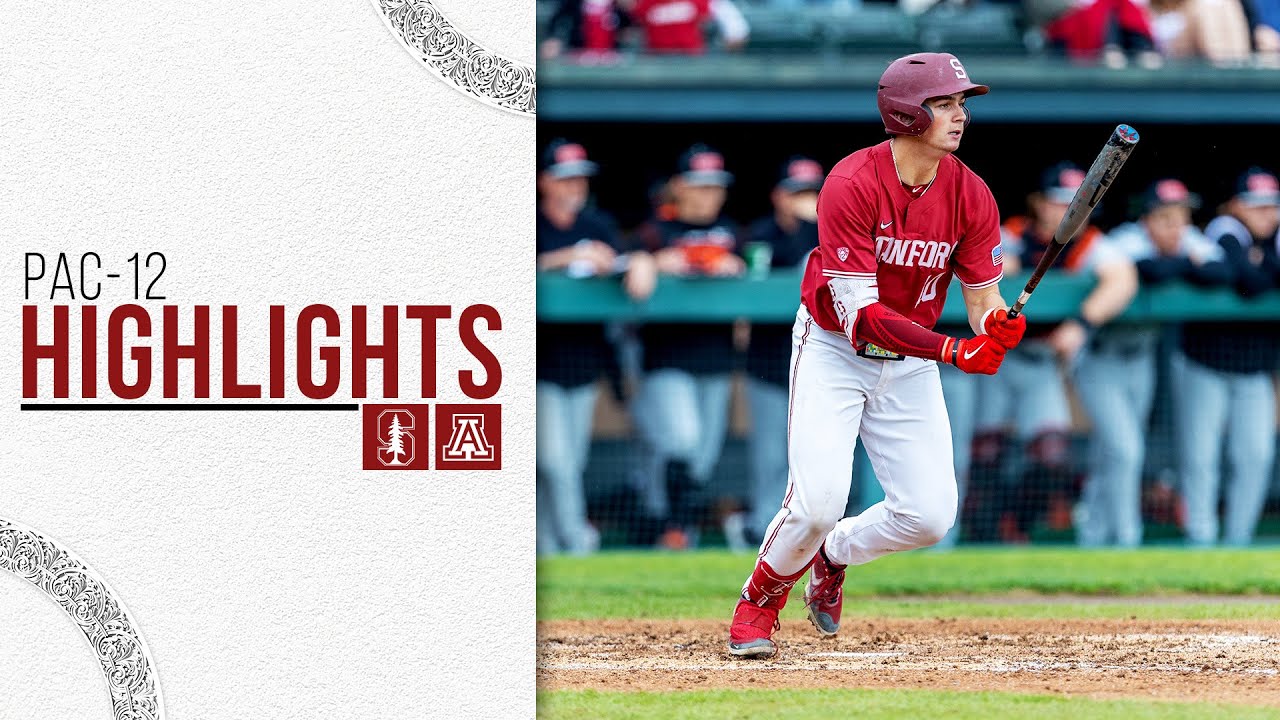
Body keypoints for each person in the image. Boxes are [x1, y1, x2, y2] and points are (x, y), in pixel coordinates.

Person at [727, 53, 1026, 658]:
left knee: (930, 517)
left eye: (961, 103)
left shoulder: (972, 194)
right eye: (944, 103)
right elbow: (860, 316)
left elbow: (981, 300)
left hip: (909, 356)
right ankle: (760, 599)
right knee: (816, 501)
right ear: (906, 111)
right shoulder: (850, 181)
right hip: (835, 348)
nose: (959, 114)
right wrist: (952, 349)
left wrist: (994, 327)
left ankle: (834, 555)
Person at [969, 163, 1138, 544]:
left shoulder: (1091, 243)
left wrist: (1081, 323)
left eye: (1075, 204)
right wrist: (1010, 268)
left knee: (1051, 454)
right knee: (984, 452)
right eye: (1058, 202)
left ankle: (1020, 527)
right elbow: (989, 266)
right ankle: (979, 536)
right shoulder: (1012, 233)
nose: (1067, 212)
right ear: (1039, 204)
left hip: (1043, 360)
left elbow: (1123, 279)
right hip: (993, 356)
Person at [1074, 178, 1231, 547]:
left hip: (1140, 361)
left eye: (1181, 217)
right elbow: (1150, 271)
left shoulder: (1187, 237)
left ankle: (1091, 538)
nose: (1176, 226)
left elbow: (1222, 273)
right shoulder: (1125, 240)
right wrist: (1183, 265)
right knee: (1127, 450)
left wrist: (1180, 262)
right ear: (1147, 219)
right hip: (1101, 359)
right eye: (1166, 218)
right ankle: (1129, 540)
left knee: (1110, 454)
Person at [536, 139, 657, 555]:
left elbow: (629, 260)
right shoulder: (535, 223)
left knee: (567, 461)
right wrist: (569, 255)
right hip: (538, 363)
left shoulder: (598, 225)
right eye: (565, 178)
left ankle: (546, 545)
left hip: (584, 361)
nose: (575, 186)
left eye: (580, 178)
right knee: (554, 461)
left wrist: (640, 261)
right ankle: (575, 540)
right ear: (544, 181)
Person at [633, 144, 745, 549]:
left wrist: (737, 267)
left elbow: (759, 272)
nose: (707, 194)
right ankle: (666, 525)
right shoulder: (655, 230)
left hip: (715, 358)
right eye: (698, 186)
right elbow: (625, 264)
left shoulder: (734, 232)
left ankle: (681, 530)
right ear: (678, 187)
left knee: (703, 456)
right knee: (680, 439)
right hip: (666, 356)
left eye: (714, 186)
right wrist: (649, 262)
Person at [1174, 168, 1280, 546]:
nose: (1267, 214)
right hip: (1205, 361)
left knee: (1255, 455)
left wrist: (1260, 266)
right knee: (1201, 457)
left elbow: (1258, 278)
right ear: (1236, 206)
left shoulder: (1274, 236)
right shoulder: (1224, 228)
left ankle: (1239, 540)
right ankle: (1200, 538)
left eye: (1272, 206)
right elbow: (1246, 281)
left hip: (1254, 368)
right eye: (1257, 207)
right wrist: (1258, 267)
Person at [741, 157, 825, 546]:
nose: (805, 200)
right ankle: (762, 528)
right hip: (770, 363)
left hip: (821, 366)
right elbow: (757, 286)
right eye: (797, 192)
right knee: (771, 457)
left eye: (812, 192)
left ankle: (806, 537)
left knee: (813, 458)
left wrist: (817, 221)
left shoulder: (830, 231)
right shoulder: (761, 234)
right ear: (779, 195)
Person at [619, 0, 750, 54]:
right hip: (656, 62)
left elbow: (736, 29)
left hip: (690, 61)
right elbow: (626, 26)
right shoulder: (645, 2)